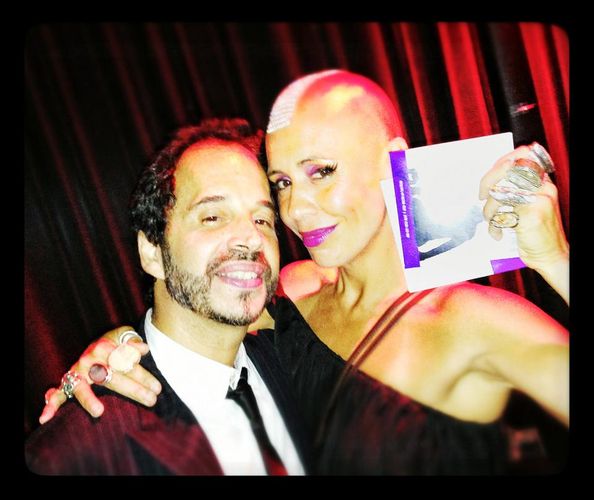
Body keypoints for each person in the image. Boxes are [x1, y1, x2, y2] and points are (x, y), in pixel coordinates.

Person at [39, 70, 569, 474]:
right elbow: (194, 325)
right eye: (283, 183)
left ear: (392, 161)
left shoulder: (476, 323)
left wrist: (555, 259)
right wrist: (120, 344)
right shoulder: (290, 289)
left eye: (322, 171)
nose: (295, 210)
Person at [25, 118, 311, 475]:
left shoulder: (296, 360)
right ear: (152, 253)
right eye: (213, 216)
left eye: (263, 220)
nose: (252, 239)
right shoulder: (79, 451)